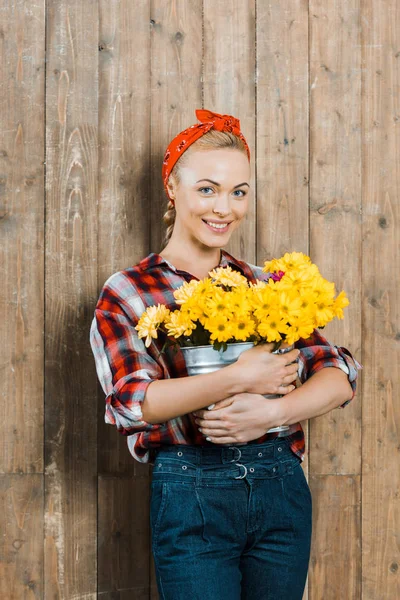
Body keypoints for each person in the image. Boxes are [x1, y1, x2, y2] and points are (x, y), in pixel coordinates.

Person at [90, 109, 362, 600]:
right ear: (173, 187)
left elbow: (339, 372)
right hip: (190, 489)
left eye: (239, 192)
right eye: (208, 189)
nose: (225, 209)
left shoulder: (265, 284)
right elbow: (134, 401)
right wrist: (239, 377)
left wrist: (275, 410)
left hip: (280, 483)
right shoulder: (129, 291)